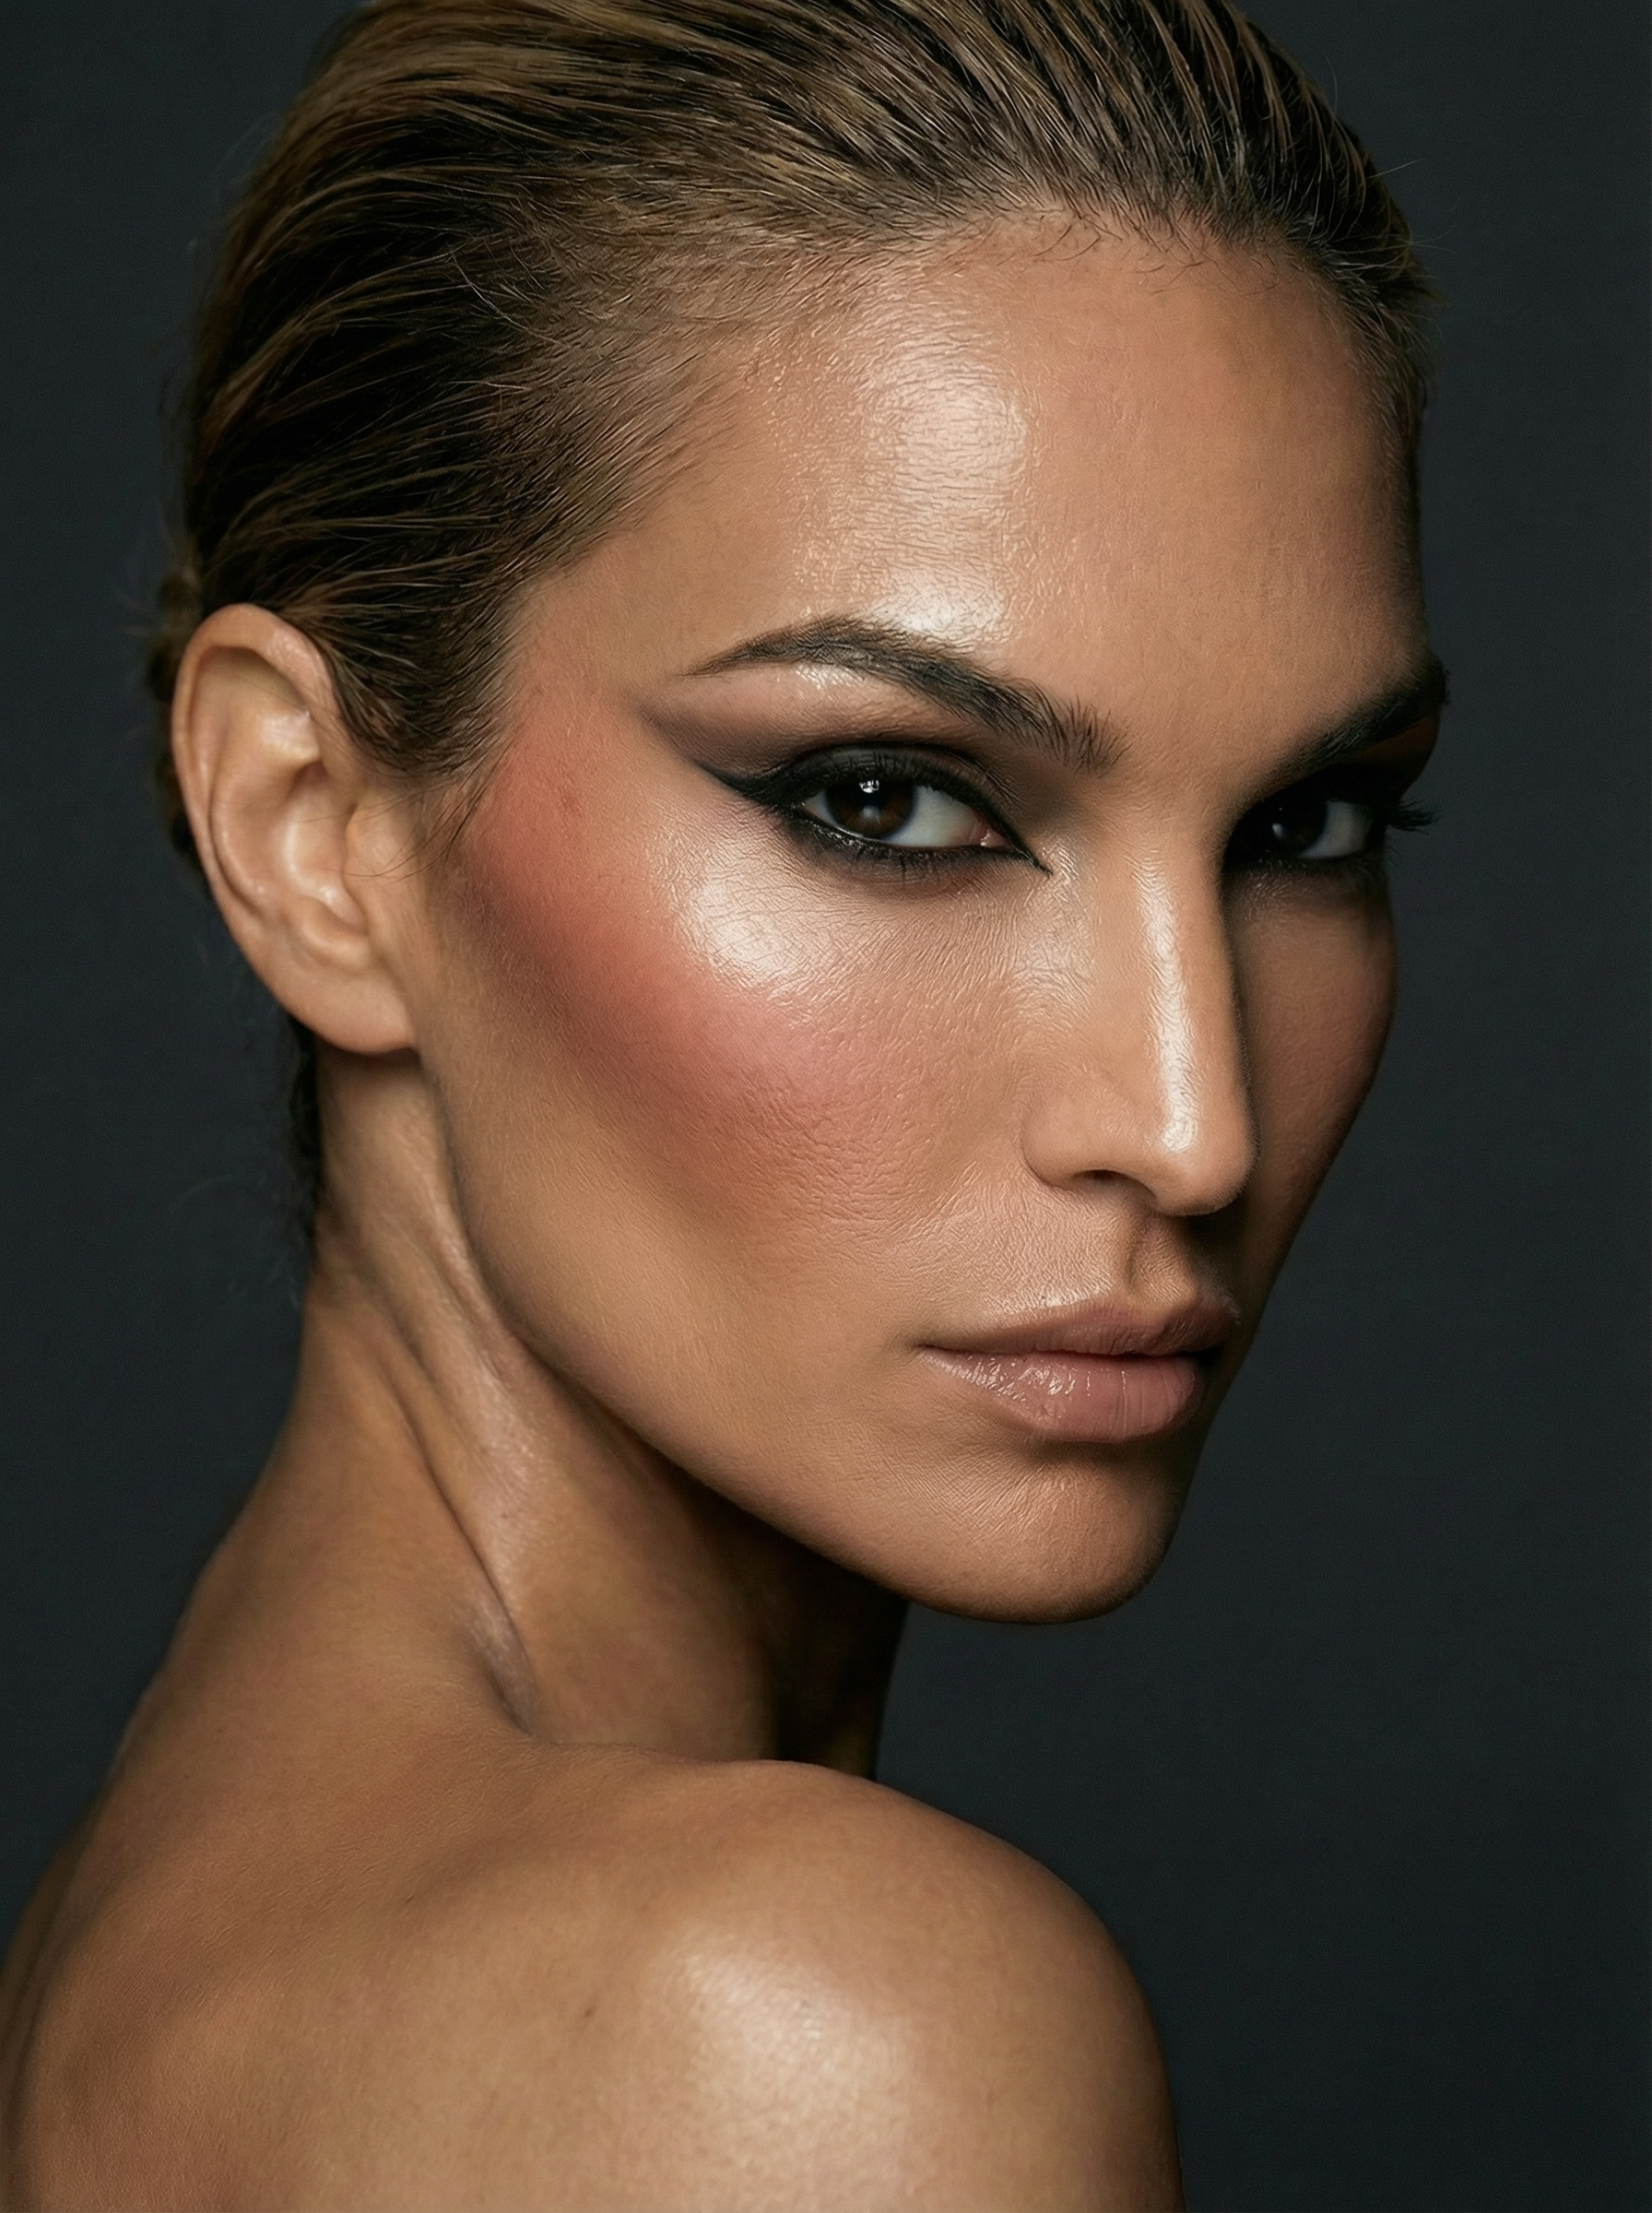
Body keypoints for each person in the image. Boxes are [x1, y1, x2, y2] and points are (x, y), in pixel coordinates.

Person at [0, 1, 1442, 2204]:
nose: (1191, 1122)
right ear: (312, 830)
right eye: (883, 800)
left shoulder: (166, 1920)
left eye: (1303, 826)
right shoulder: (800, 2040)